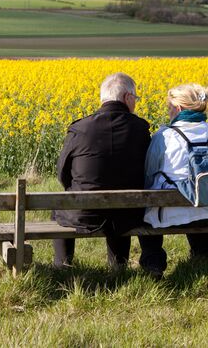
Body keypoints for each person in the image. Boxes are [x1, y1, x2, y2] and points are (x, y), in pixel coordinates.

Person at [53, 72, 161, 271]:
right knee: (121, 206)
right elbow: (149, 170)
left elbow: (62, 172)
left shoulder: (80, 128)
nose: (135, 103)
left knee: (60, 208)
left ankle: (62, 266)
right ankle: (118, 266)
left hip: (85, 213)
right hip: (131, 213)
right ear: (128, 97)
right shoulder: (140, 129)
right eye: (135, 99)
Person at [139, 83, 208, 275]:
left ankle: (153, 264)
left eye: (169, 107)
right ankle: (202, 257)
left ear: (178, 109)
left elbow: (149, 172)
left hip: (172, 216)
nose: (168, 111)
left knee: (150, 205)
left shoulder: (165, 136)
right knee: (200, 201)